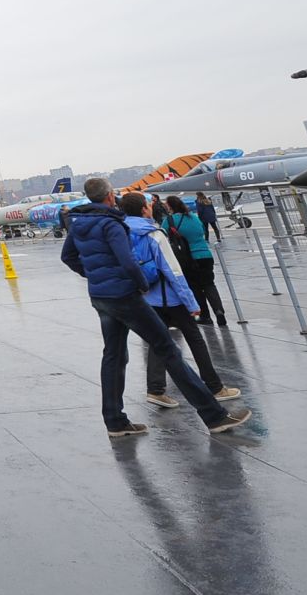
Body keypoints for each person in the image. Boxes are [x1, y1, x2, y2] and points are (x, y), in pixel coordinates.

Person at [59, 177, 250, 438]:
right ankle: (214, 416)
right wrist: (140, 285)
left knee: (113, 356)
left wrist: (93, 276)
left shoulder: (79, 223)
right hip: (125, 296)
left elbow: (67, 256)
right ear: (110, 197)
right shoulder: (111, 224)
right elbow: (127, 262)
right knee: (168, 349)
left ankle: (115, 421)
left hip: (101, 297)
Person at [121, 193, 240, 408]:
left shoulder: (121, 233)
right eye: (148, 204)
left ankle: (156, 389)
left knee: (158, 342)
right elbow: (173, 270)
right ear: (144, 210)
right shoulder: (154, 234)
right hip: (170, 298)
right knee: (195, 339)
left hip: (146, 297)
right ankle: (214, 386)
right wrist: (191, 302)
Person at [161, 196, 225, 327]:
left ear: (170, 206)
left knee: (195, 287)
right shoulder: (193, 217)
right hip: (205, 254)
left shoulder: (169, 220)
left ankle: (205, 316)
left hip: (187, 258)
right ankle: (219, 311)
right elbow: (202, 230)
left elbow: (163, 237)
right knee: (209, 284)